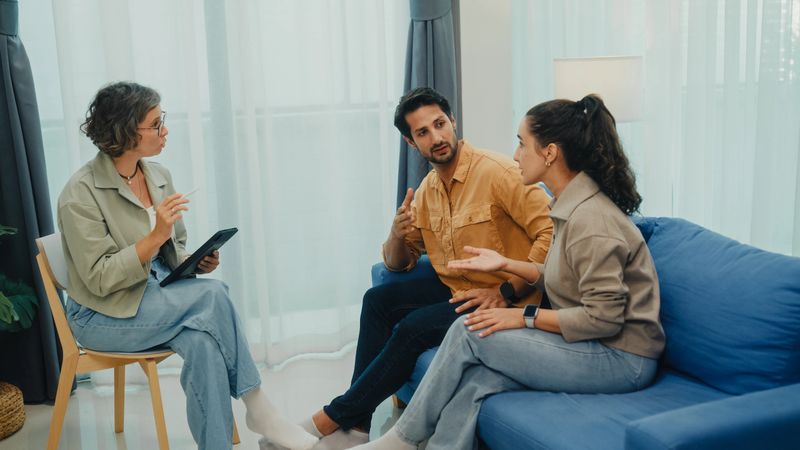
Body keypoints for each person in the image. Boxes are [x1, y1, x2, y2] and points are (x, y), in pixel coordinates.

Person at [351, 94, 666, 450]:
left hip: (620, 358)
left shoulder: (592, 220)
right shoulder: (569, 206)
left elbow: (605, 320)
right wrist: (506, 264)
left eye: (522, 144)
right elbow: (560, 274)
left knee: (469, 331)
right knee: (475, 380)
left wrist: (523, 317)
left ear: (549, 153)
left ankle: (401, 439)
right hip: (589, 342)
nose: (516, 155)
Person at [57, 82, 318, 450]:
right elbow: (99, 279)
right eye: (156, 123)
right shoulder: (79, 193)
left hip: (156, 296)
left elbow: (173, 248)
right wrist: (153, 236)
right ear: (127, 130)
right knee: (214, 297)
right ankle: (260, 409)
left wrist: (195, 262)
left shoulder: (157, 175)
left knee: (204, 343)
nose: (165, 131)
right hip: (102, 315)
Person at [296, 87, 553, 450]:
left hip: (509, 299)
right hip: (462, 291)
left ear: (453, 122)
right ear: (410, 141)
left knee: (413, 328)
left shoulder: (499, 173)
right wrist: (397, 233)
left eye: (439, 124)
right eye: (423, 132)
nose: (436, 137)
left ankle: (331, 418)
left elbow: (550, 232)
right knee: (378, 300)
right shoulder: (429, 191)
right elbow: (399, 264)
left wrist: (506, 291)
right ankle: (355, 428)